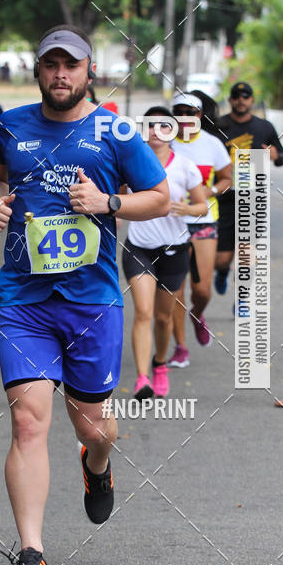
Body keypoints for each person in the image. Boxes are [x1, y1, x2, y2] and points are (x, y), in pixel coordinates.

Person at [0, 25, 169, 565]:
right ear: (38, 71)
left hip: (92, 304)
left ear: (89, 72)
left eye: (72, 65)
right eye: (51, 64)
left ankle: (97, 464)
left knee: (94, 426)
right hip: (25, 301)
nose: (61, 74)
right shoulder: (9, 125)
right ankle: (32, 554)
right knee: (28, 420)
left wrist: (108, 202)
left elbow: (157, 195)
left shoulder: (114, 129)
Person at [122, 106, 206, 398]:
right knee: (143, 312)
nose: (156, 130)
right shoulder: (130, 161)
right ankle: (142, 378)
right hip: (139, 248)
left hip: (174, 249)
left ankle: (160, 364)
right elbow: (118, 197)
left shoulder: (185, 166)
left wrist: (187, 209)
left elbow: (203, 206)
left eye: (163, 125)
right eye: (150, 125)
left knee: (162, 317)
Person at [168, 93, 232, 362]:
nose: (185, 116)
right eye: (179, 111)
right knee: (176, 290)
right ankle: (180, 348)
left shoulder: (212, 144)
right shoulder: (165, 142)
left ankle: (197, 313)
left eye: (190, 111)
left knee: (202, 290)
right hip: (171, 223)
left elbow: (228, 178)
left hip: (204, 220)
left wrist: (211, 191)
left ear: (200, 115)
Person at [214, 81, 283, 294]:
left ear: (252, 100)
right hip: (225, 196)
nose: (241, 100)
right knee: (221, 258)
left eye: (245, 96)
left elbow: (281, 157)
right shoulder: (219, 126)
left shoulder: (264, 127)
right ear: (230, 100)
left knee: (247, 253)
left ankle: (242, 298)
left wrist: (275, 155)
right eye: (236, 96)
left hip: (253, 197)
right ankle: (222, 271)